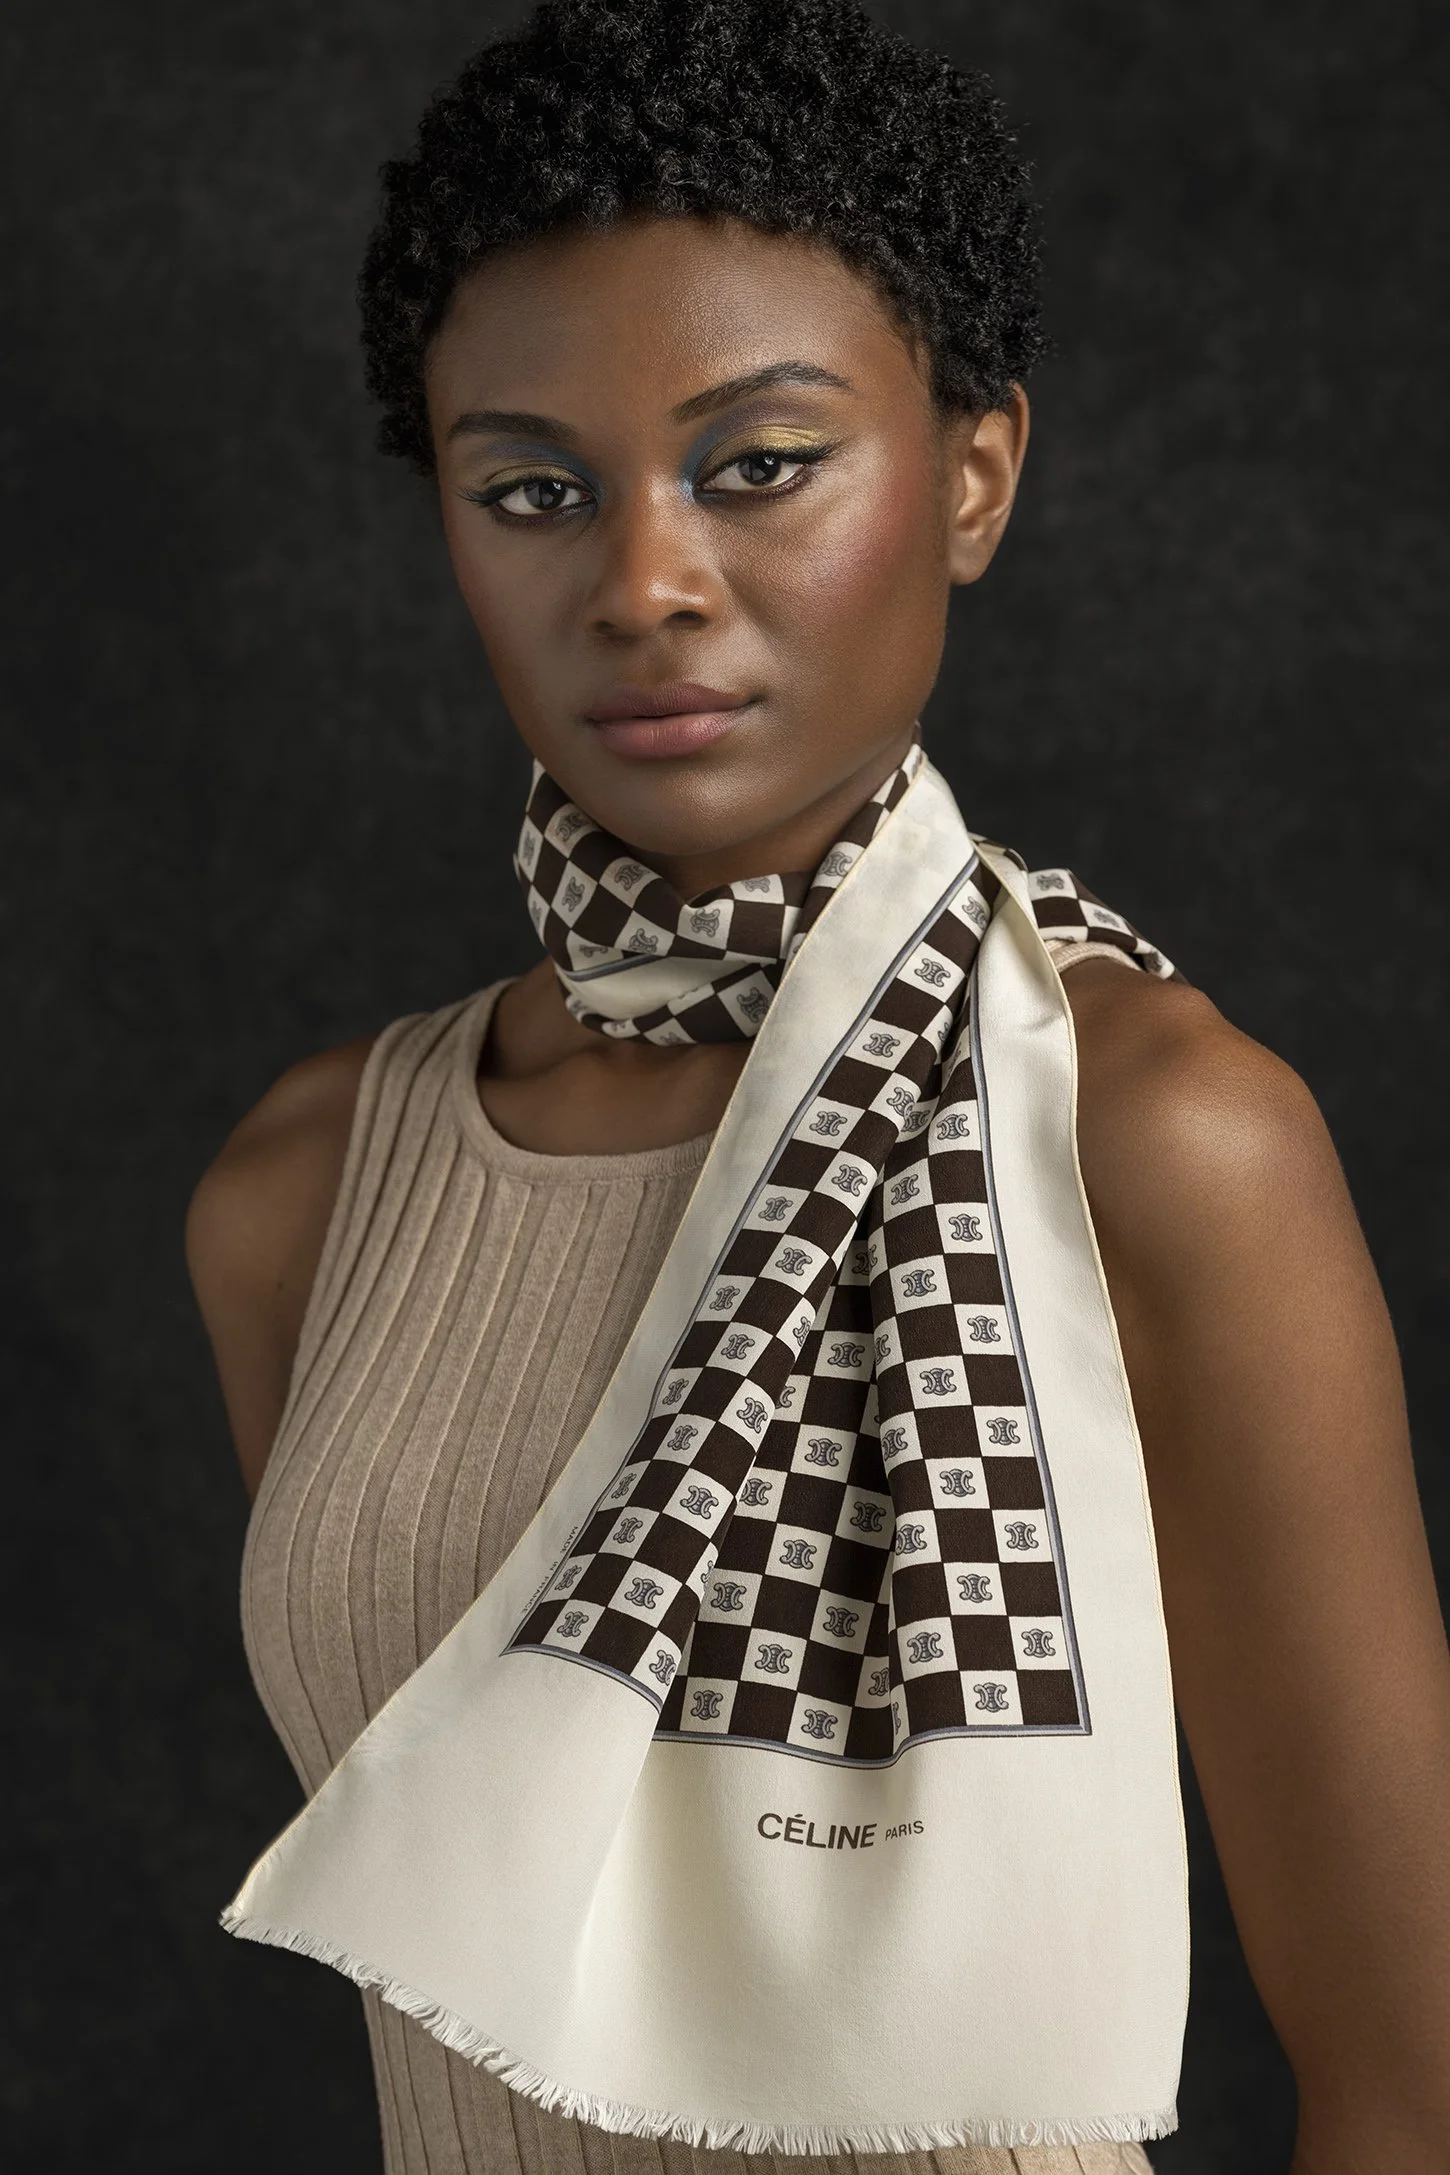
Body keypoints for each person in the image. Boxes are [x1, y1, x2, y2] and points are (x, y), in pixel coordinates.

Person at [186, 4, 1450, 2171]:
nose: (643, 583)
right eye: (532, 491)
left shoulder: (1148, 1133)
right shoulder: (310, 1188)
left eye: (758, 463)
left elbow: (1408, 2077)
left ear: (971, 475)